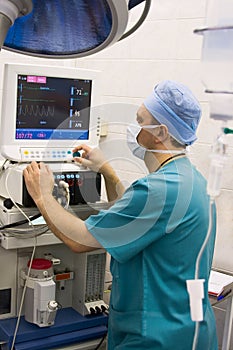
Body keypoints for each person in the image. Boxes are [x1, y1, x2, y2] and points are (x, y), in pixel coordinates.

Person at [23, 80, 218, 350]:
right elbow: (131, 219)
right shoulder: (190, 181)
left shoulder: (159, 190)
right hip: (190, 329)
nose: (134, 128)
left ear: (159, 132)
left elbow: (80, 240)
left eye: (140, 121)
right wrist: (107, 171)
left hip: (155, 338)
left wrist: (42, 195)